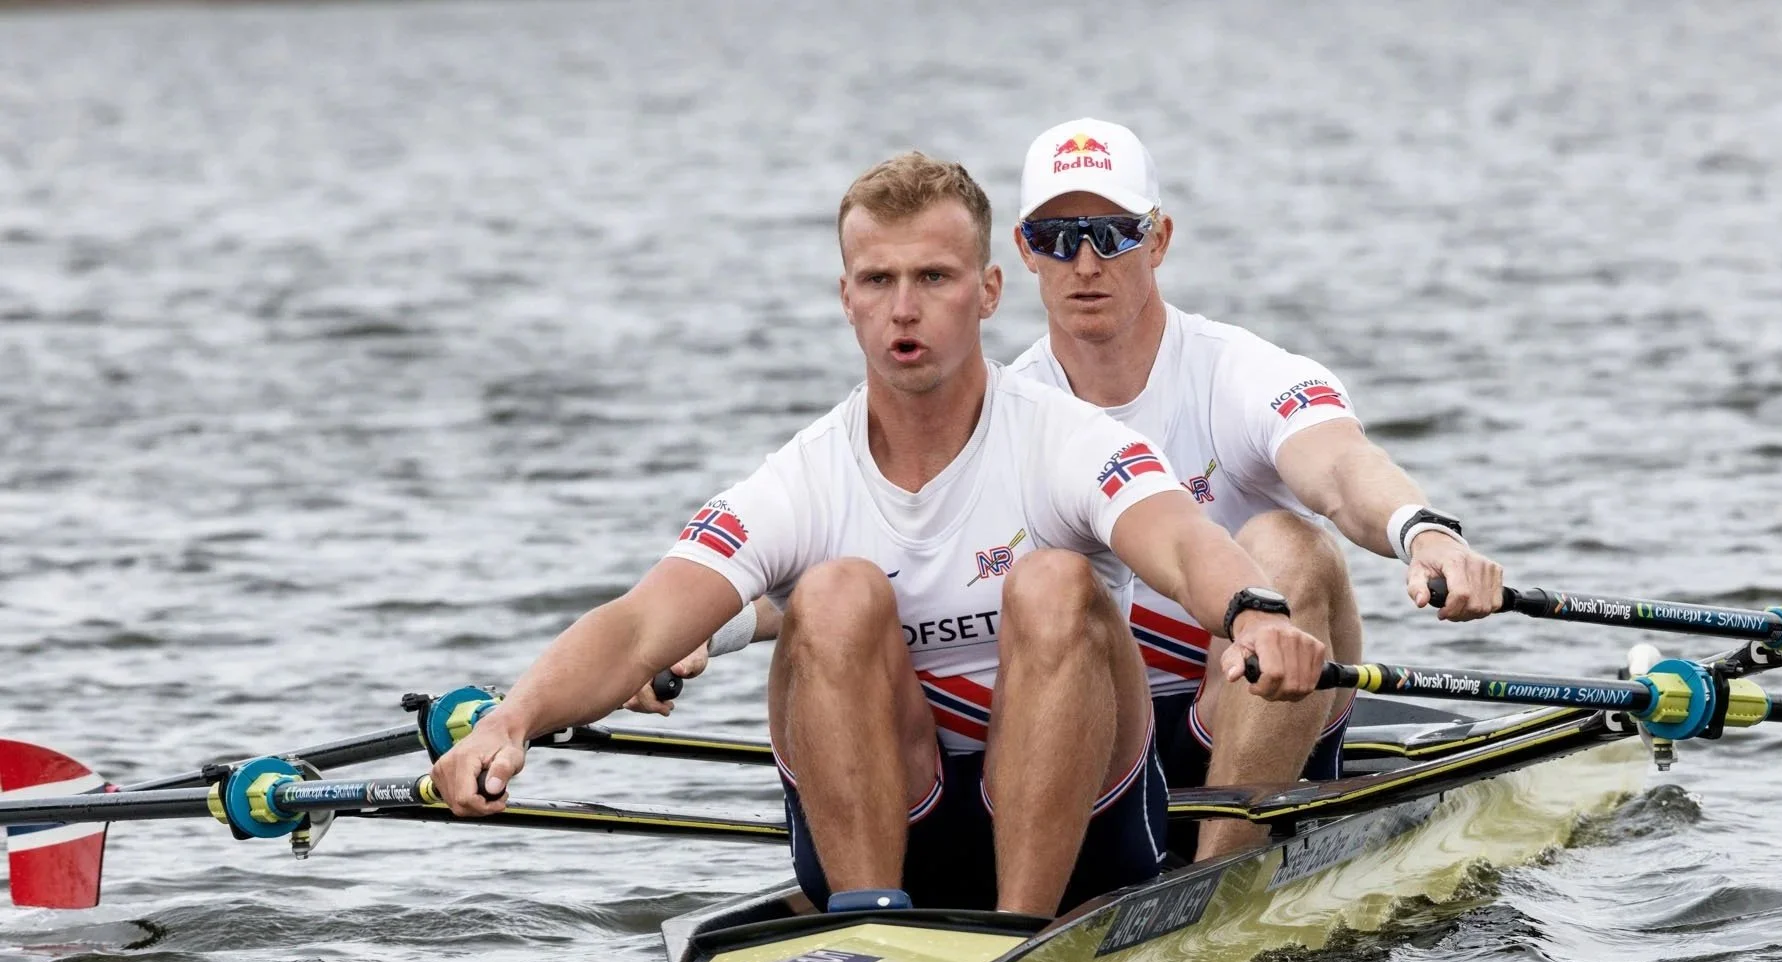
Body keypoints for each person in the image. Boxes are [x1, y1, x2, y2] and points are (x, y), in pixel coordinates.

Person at [430, 152, 1328, 917]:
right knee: (832, 591)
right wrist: (512, 719)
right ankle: (868, 923)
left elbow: (1180, 540)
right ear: (847, 298)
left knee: (1055, 581)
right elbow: (637, 624)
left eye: (933, 278)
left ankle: (1018, 933)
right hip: (903, 814)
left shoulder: (1069, 440)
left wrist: (1252, 613)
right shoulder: (803, 477)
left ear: (986, 292)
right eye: (878, 281)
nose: (904, 308)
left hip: (1087, 834)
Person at [1005, 118, 1508, 859]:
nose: (1085, 262)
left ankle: (1222, 871)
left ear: (1158, 240)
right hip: (1096, 736)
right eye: (1057, 237)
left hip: (1250, 708)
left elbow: (1340, 467)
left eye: (1112, 234)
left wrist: (1423, 530)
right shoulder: (1006, 409)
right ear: (1024, 250)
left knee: (1290, 545)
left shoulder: (1237, 372)